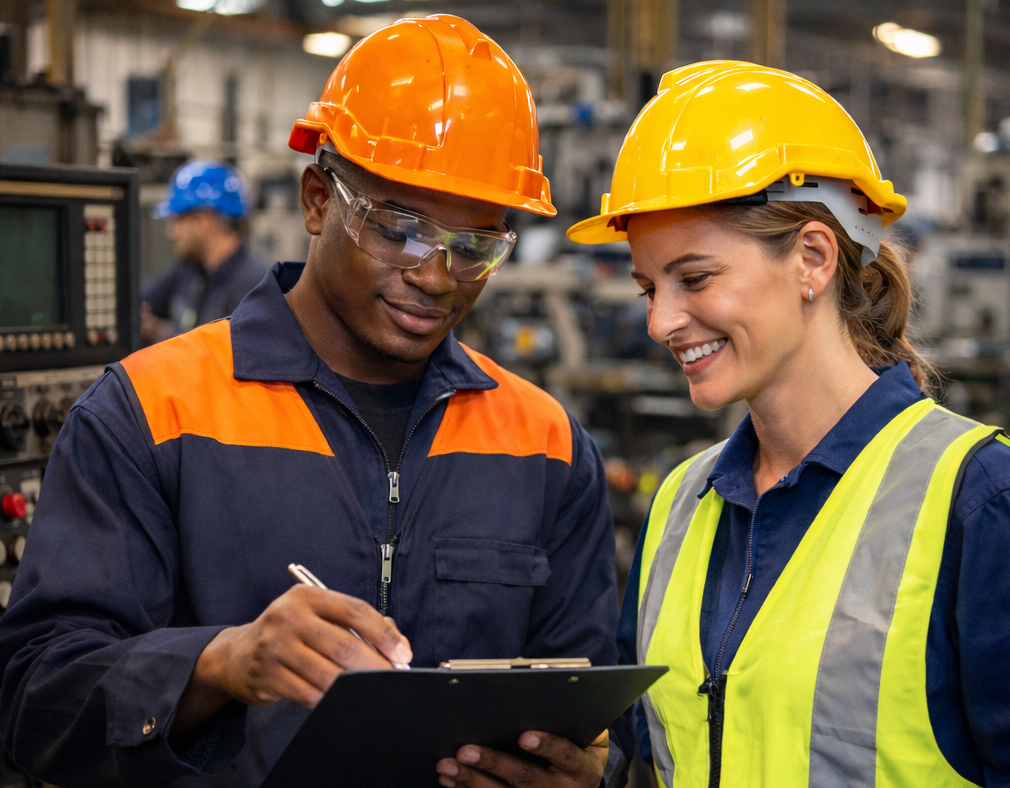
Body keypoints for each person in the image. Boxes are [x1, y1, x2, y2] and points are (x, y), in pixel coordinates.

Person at [0, 16, 626, 788]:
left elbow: (597, 715)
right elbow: (36, 700)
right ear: (318, 200)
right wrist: (220, 663)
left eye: (475, 247)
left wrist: (591, 771)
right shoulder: (151, 413)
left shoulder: (545, 444)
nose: (435, 277)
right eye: (398, 228)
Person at [568, 61, 1010, 788]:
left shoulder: (983, 504)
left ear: (812, 257)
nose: (659, 321)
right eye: (649, 287)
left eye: (695, 278)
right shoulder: (682, 506)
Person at [141, 160, 266, 344]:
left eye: (177, 221)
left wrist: (164, 336)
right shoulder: (189, 270)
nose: (171, 233)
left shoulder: (255, 291)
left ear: (204, 222)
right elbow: (144, 300)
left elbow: (219, 362)